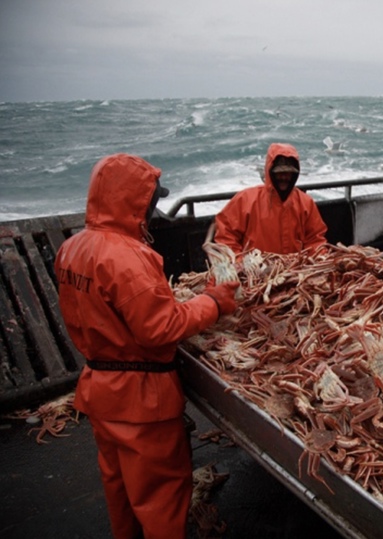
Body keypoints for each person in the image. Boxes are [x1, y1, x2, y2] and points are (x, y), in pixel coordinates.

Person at [54, 154, 239, 539]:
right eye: (151, 201)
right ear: (134, 201)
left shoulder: (71, 248)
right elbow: (161, 327)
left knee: (119, 489)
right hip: (143, 400)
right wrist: (214, 301)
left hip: (100, 390)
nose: (153, 210)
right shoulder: (128, 257)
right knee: (160, 500)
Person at [214, 142, 328, 254]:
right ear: (270, 172)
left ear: (295, 175)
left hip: (295, 270)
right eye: (279, 173)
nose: (284, 177)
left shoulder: (306, 203)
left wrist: (320, 258)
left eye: (289, 173)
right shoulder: (246, 200)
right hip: (254, 269)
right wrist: (239, 263)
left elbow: (315, 241)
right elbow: (226, 236)